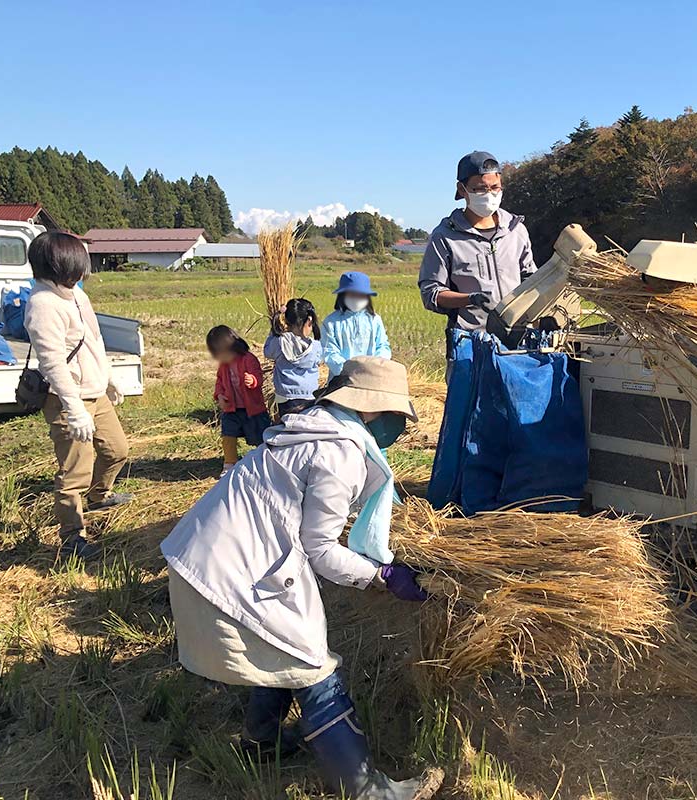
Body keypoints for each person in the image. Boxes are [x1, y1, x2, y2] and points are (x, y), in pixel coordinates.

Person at [160, 357, 441, 800]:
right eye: (394, 416)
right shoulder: (339, 451)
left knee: (278, 646)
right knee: (311, 665)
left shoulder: (312, 427)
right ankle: (367, 789)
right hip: (234, 571)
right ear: (371, 409)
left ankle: (261, 743)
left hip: (205, 557)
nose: (398, 428)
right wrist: (381, 575)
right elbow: (322, 549)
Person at [23, 231, 132, 561]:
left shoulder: (75, 295)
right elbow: (52, 362)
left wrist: (109, 378)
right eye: (76, 266)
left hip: (94, 392)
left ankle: (100, 495)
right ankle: (72, 537)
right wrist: (74, 409)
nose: (81, 273)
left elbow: (95, 339)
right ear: (57, 266)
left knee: (117, 450)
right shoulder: (43, 304)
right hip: (67, 398)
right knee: (74, 473)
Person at [417, 150, 537, 341]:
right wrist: (470, 299)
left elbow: (532, 279)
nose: (489, 195)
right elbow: (431, 293)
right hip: (470, 342)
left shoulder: (516, 230)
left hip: (519, 337)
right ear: (462, 189)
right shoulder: (445, 236)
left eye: (495, 187)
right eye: (480, 189)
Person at [208, 325, 272, 477]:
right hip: (232, 408)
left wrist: (253, 380)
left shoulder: (249, 359)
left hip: (253, 408)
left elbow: (258, 376)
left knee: (259, 436)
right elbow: (219, 382)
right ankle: (230, 463)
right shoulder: (223, 366)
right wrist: (219, 395)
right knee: (228, 434)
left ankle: (264, 461)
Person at [322, 271, 391, 377]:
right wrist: (347, 371)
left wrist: (374, 366)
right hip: (341, 379)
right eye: (352, 294)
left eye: (361, 295)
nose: (356, 298)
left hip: (371, 376)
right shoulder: (331, 322)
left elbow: (382, 346)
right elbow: (329, 351)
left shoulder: (375, 320)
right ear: (342, 295)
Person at [264, 298, 323, 419]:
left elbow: (267, 352)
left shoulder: (279, 342)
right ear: (309, 321)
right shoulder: (316, 346)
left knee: (288, 428)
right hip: (309, 395)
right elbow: (320, 361)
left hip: (285, 396)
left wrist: (273, 332)